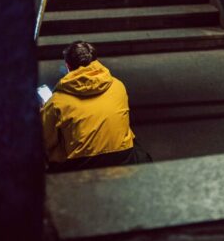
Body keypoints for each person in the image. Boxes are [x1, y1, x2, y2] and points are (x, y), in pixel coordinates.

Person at [41, 40, 149, 173]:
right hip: (122, 158)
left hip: (81, 165)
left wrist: (45, 111)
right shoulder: (118, 86)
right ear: (96, 61)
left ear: (67, 66)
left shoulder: (57, 101)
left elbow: (46, 140)